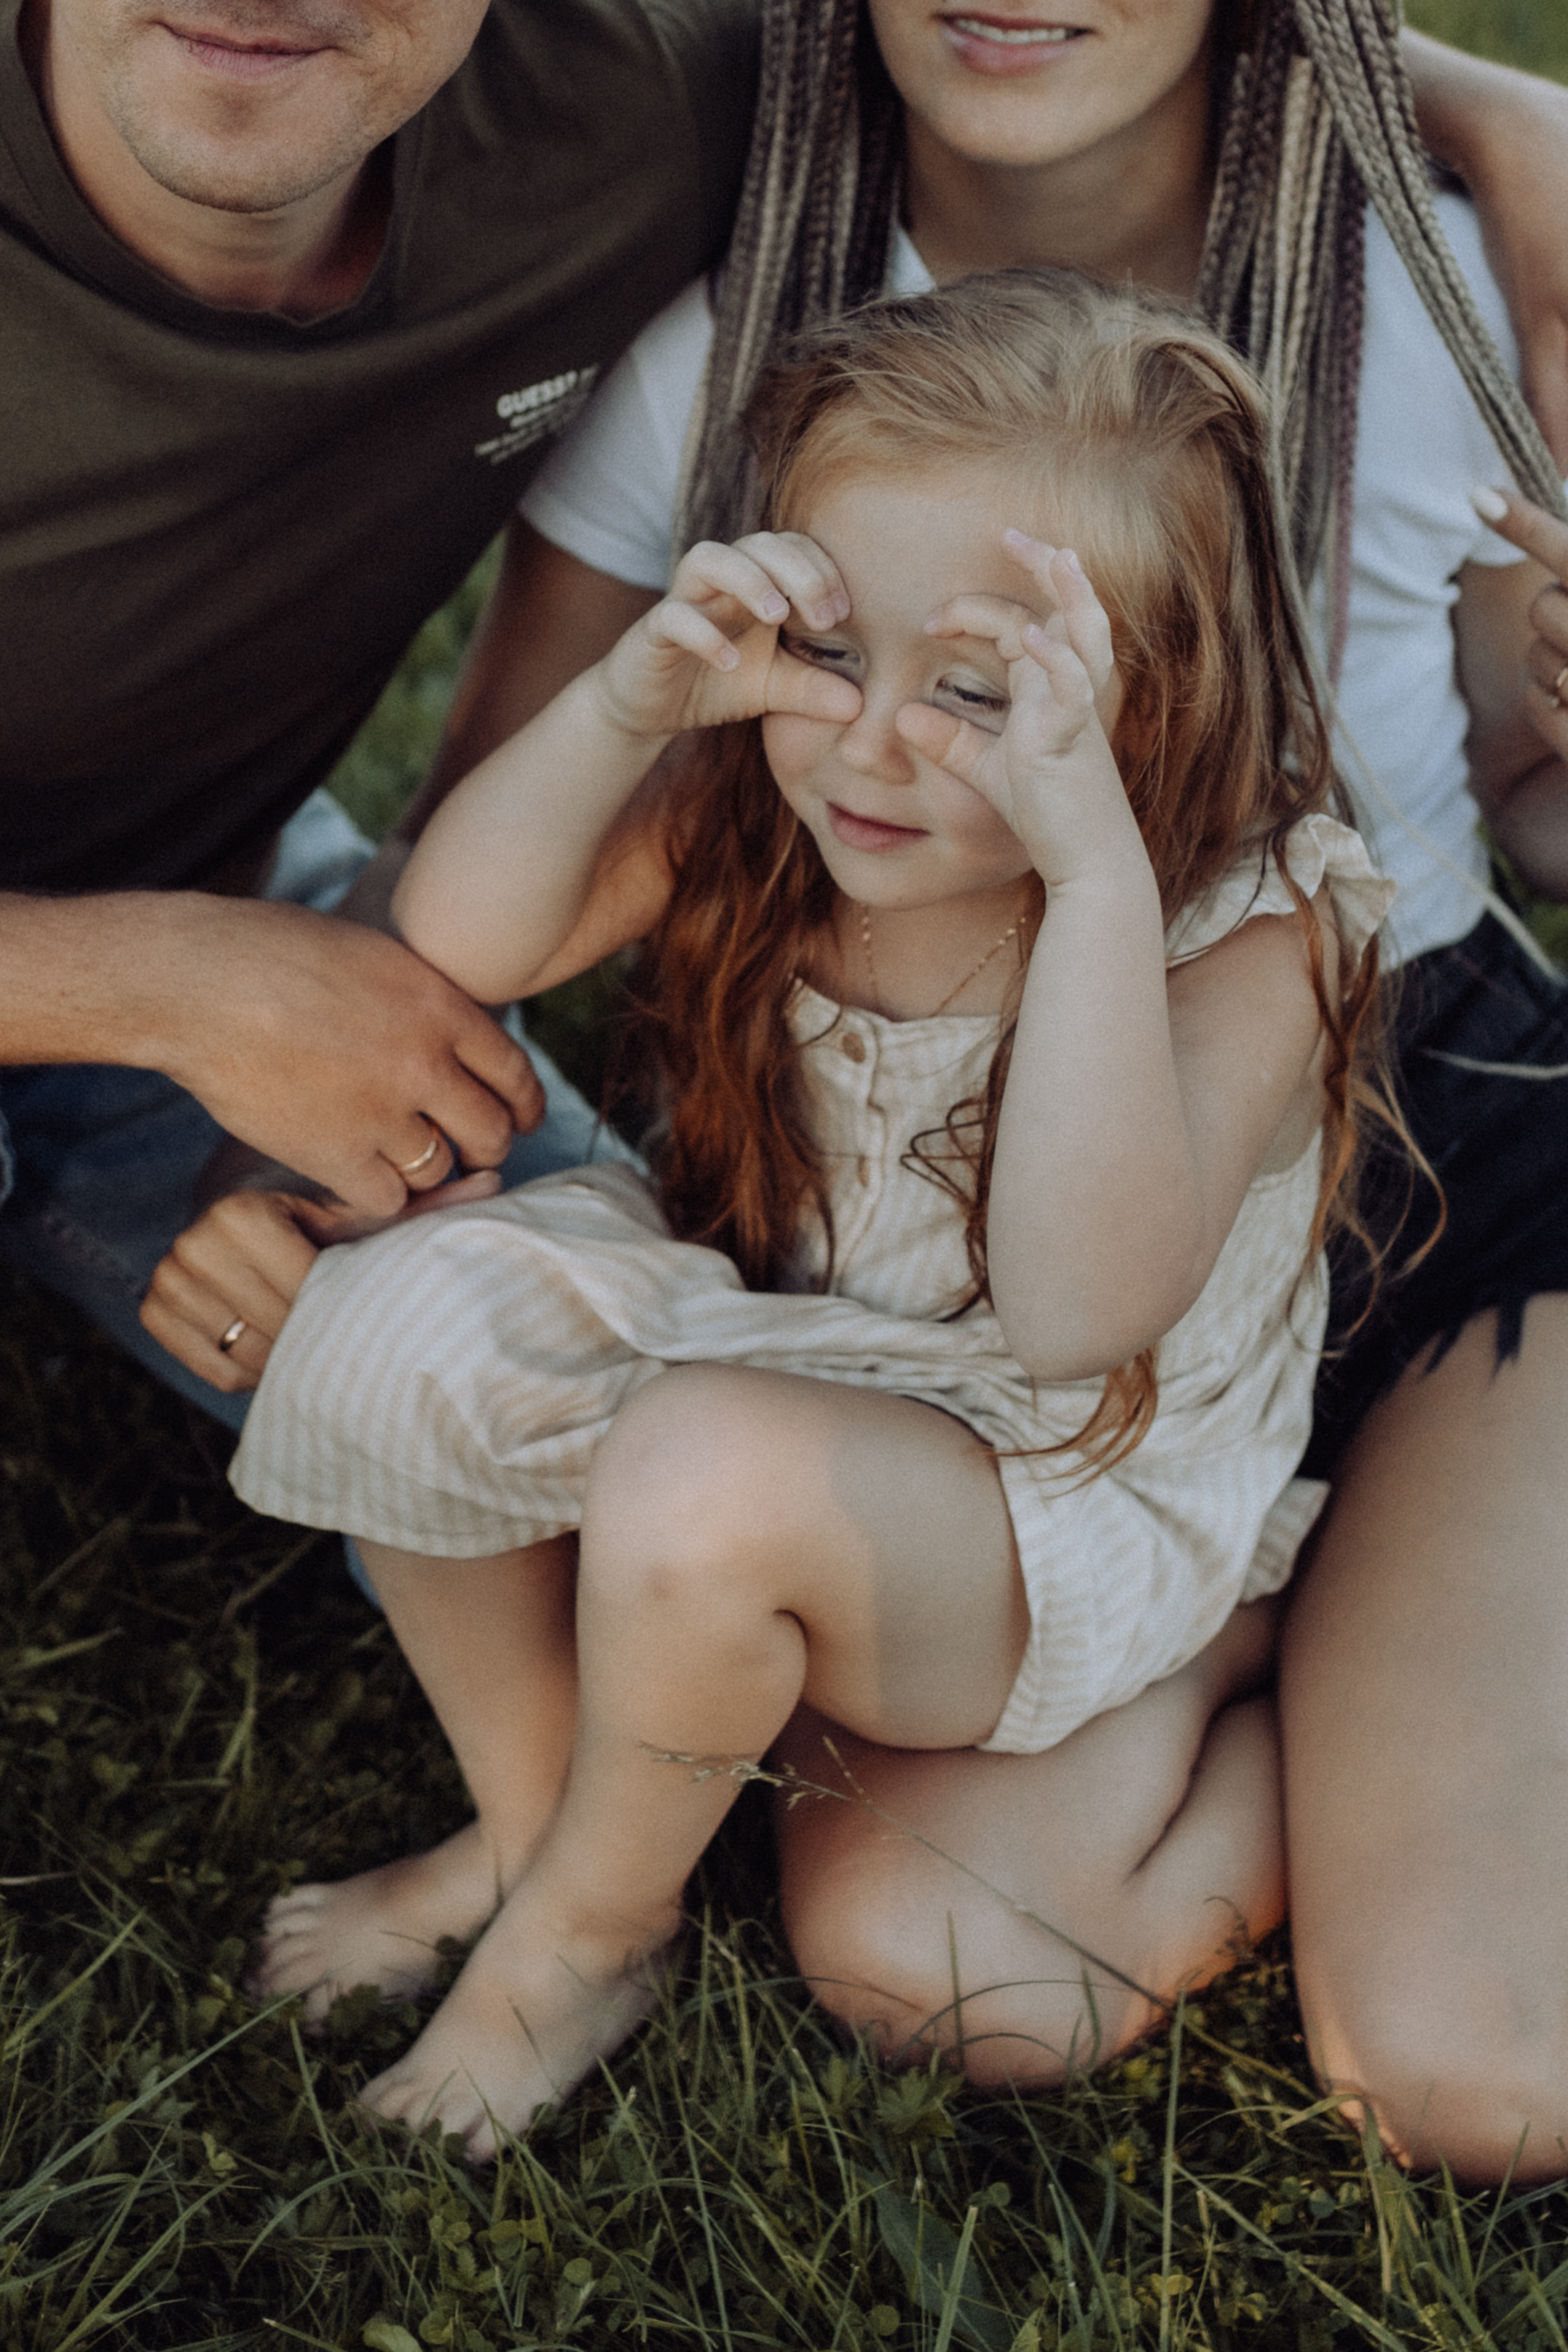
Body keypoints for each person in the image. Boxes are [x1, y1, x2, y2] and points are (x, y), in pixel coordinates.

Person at [141, 0, 1568, 2176]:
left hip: (1281, 1300)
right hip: (889, 1391)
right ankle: (550, 1828)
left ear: (1165, 699)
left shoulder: (1261, 887)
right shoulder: (775, 628)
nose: (881, 734)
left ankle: (599, 1925)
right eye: (835, 649)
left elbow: (1089, 1293)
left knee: (1471, 2071)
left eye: (978, 685)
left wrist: (1097, 875)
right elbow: (471, 925)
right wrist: (647, 698)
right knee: (941, 1971)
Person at [0, 0, 755, 1424]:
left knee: (650, 1427)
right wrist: (173, 988)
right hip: (182, 963)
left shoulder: (637, 120)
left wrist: (288, 1133)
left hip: (218, 902)